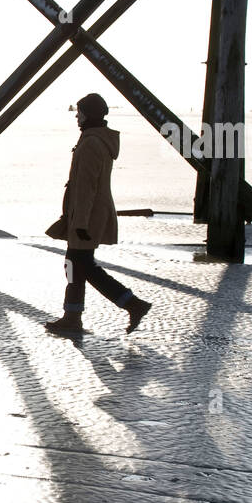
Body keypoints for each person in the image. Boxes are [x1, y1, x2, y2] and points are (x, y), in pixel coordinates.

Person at [43, 93, 151, 337]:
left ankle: (132, 304)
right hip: (85, 213)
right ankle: (72, 316)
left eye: (79, 112)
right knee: (76, 264)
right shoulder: (93, 138)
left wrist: (79, 223)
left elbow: (86, 187)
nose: (76, 116)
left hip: (88, 216)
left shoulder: (92, 142)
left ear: (88, 114)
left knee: (82, 265)